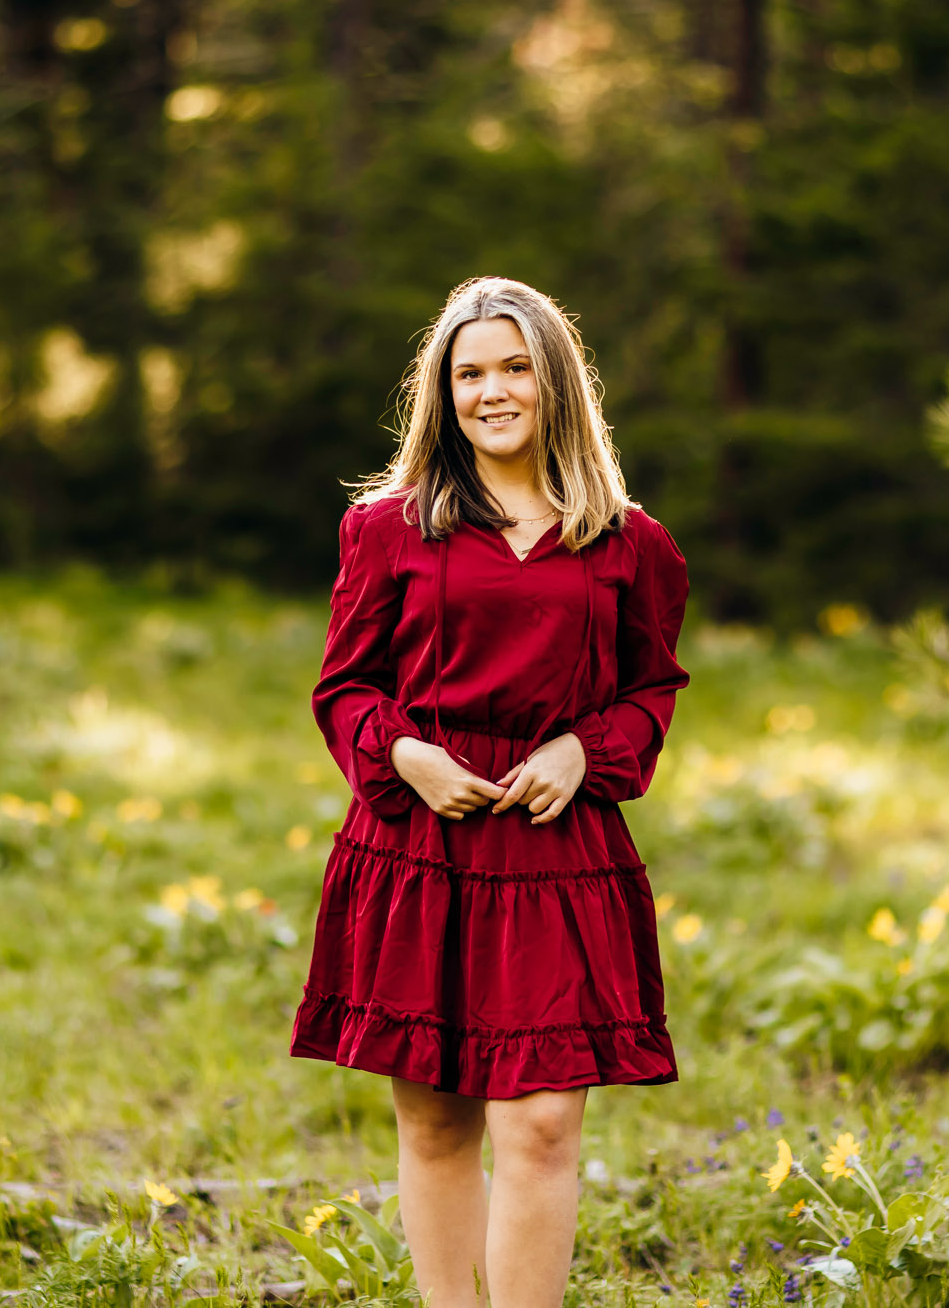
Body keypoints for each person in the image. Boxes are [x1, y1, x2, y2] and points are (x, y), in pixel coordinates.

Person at [290, 276, 693, 1308]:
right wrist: (401, 753)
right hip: (420, 845)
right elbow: (344, 687)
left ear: (555, 382)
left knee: (542, 1123)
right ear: (442, 392)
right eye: (468, 372)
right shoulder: (387, 527)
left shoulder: (628, 543)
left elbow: (651, 688)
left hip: (557, 855)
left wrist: (585, 751)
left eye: (514, 367)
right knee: (434, 1120)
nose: (491, 391)